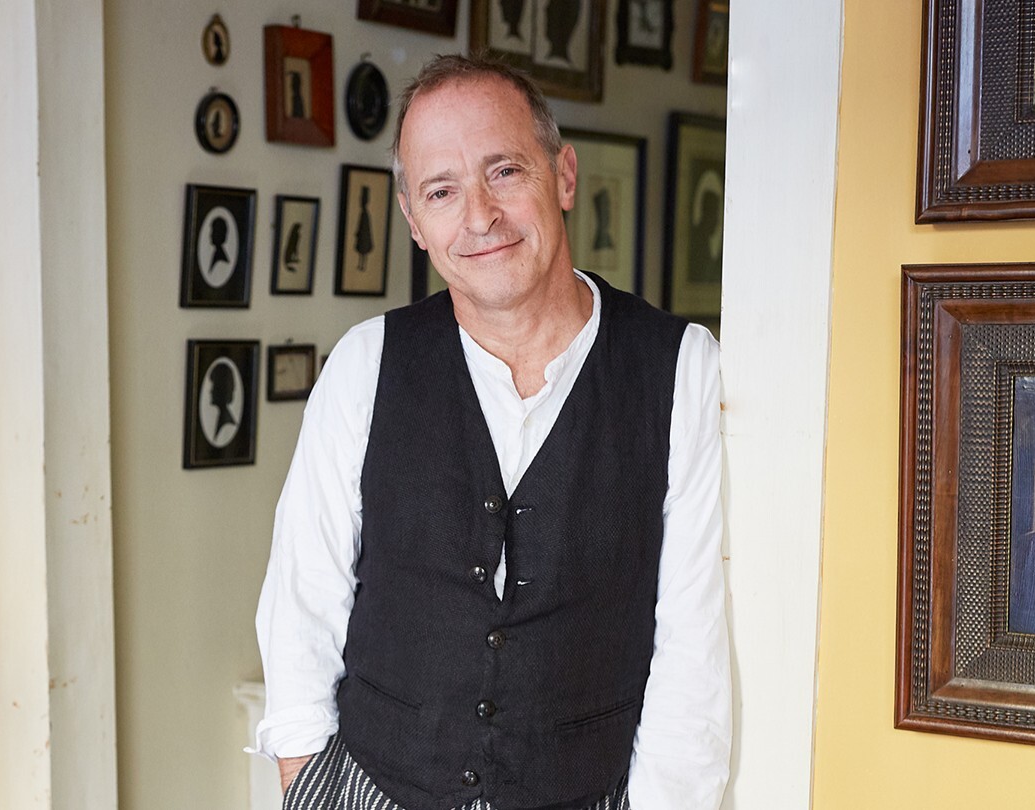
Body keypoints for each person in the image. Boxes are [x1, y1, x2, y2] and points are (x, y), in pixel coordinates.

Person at [254, 54, 730, 810]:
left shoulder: (680, 367)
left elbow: (692, 643)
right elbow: (301, 602)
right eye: (442, 191)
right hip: (370, 788)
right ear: (414, 221)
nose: (479, 216)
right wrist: (307, 785)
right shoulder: (365, 364)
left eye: (504, 172)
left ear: (564, 176)